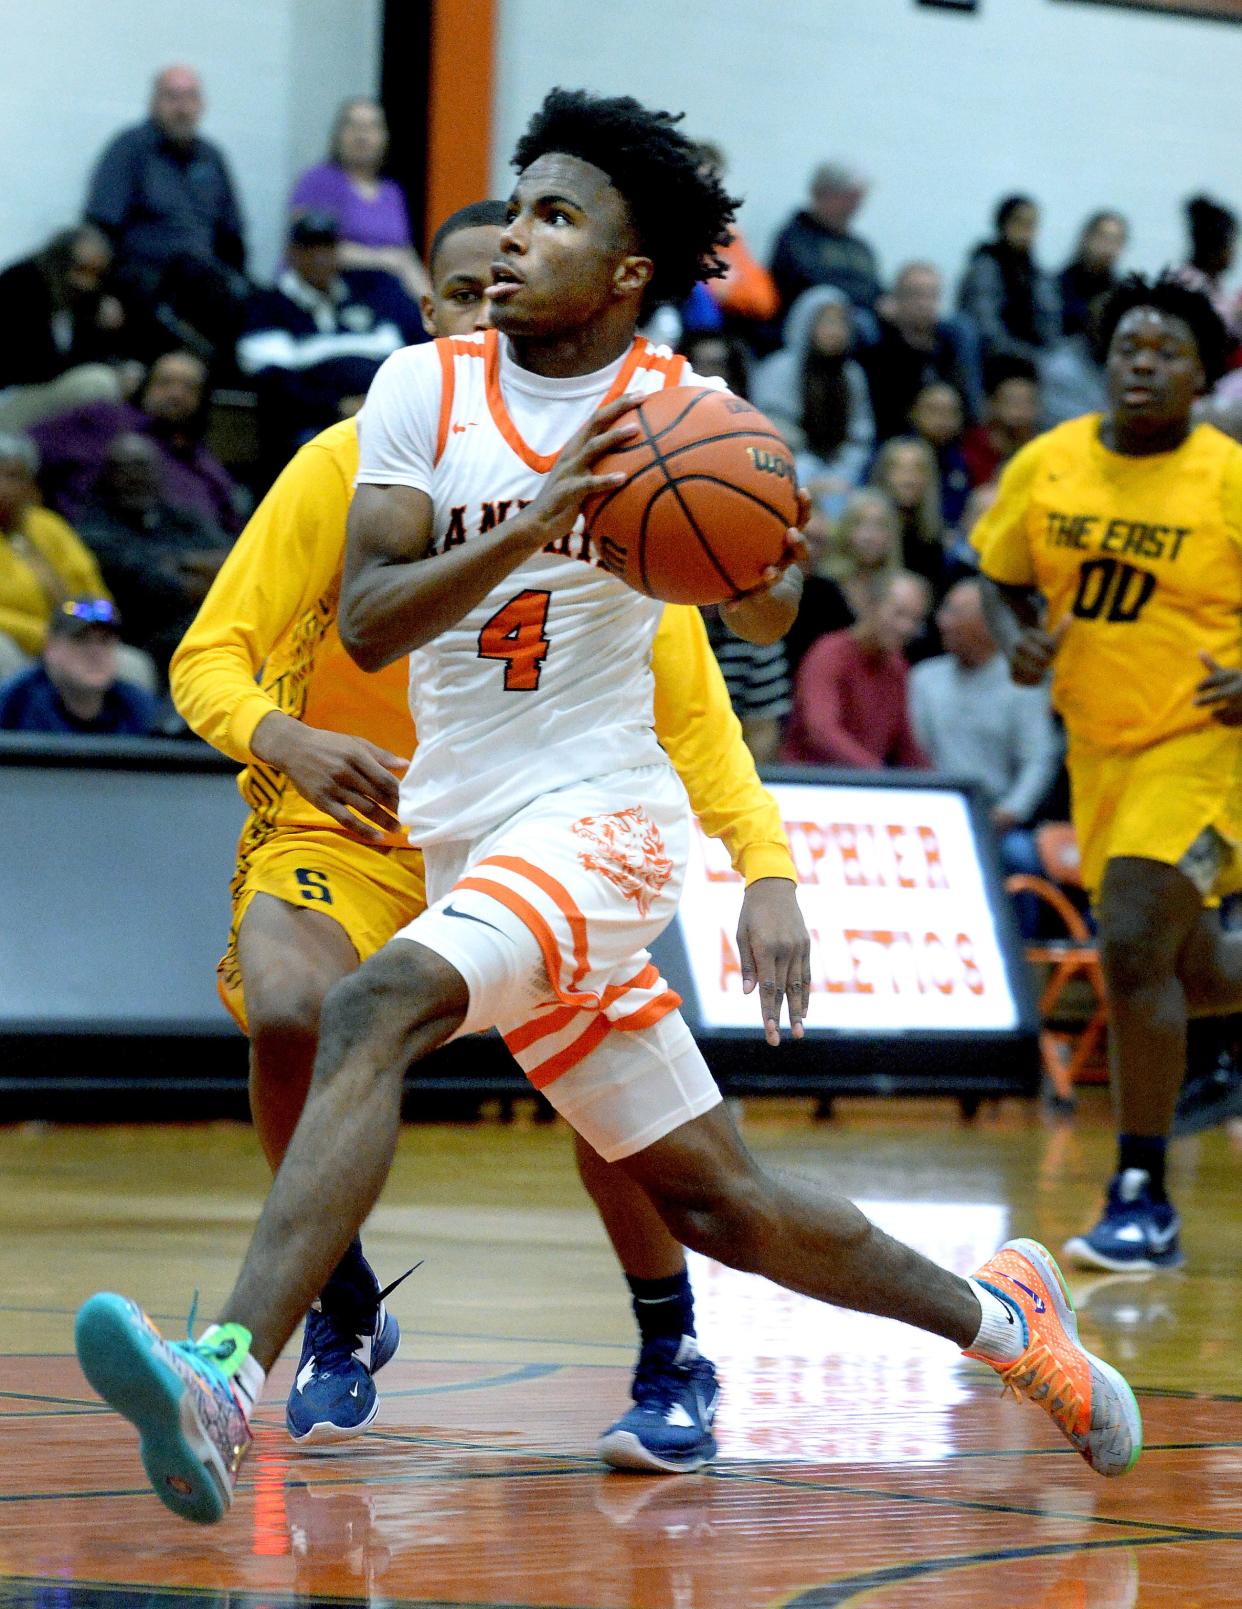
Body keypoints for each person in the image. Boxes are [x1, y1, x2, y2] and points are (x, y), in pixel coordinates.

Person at [75, 86, 1140, 1527]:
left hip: (604, 827)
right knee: (724, 1206)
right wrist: (529, 517)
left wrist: (763, 584)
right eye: (513, 211)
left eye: (554, 218)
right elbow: (374, 621)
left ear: (627, 274)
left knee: (371, 1005)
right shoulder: (417, 391)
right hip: (466, 827)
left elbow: (752, 603)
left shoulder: (682, 423)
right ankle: (1006, 1317)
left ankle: (225, 1370)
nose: (514, 240)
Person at [172, 196, 801, 1467]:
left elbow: (694, 713)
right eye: (463, 294)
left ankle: (669, 1340)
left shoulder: (615, 486)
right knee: (297, 1010)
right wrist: (284, 739)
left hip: (531, 827)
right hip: (353, 823)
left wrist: (767, 865)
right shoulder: (348, 463)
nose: (487, 313)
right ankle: (335, 1305)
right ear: (429, 319)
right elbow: (208, 658)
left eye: (502, 292)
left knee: (613, 1114)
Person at [970, 274, 1242, 1272]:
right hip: (1097, 745)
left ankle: (1141, 1195)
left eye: (1168, 350)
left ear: (1204, 374)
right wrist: (1016, 638)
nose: (1143, 363)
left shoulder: (1227, 474)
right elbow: (996, 578)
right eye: (1129, 345)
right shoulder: (1052, 463)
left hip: (1207, 743)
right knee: (1189, 971)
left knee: (1130, 945)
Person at [910, 578, 1061, 930]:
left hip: (999, 817)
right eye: (944, 609)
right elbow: (916, 753)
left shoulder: (1021, 685)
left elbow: (1038, 760)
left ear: (988, 624)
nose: (942, 621)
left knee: (1020, 856)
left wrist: (1007, 813)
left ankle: (1021, 962)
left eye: (955, 612)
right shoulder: (924, 679)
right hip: (935, 812)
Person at [84, 65, 248, 362]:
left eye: (190, 97)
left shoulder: (212, 158)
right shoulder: (128, 150)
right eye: (172, 97)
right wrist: (105, 294)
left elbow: (232, 238)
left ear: (201, 105)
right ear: (154, 103)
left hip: (204, 285)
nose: (182, 108)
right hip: (145, 286)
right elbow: (100, 230)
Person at [238, 213, 417, 478]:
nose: (319, 257)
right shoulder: (268, 308)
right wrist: (337, 407)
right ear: (292, 254)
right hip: (310, 439)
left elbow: (407, 361)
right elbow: (274, 386)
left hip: (385, 428)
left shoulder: (370, 300)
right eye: (309, 248)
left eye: (327, 247)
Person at [30, 348, 244, 534]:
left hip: (199, 552)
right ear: (145, 387)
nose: (176, 394)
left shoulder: (205, 464)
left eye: (189, 387)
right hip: (114, 544)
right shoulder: (102, 419)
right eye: (165, 382)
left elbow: (232, 524)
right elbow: (26, 450)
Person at [76, 433, 231, 678]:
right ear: (108, 475)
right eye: (125, 469)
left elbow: (234, 563)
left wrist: (182, 562)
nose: (135, 477)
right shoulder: (93, 528)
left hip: (201, 624)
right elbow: (158, 587)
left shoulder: (181, 517)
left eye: (143, 467)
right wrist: (205, 571)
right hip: (141, 637)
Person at [782, 570, 931, 769]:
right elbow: (821, 730)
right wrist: (881, 775)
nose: (906, 627)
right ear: (871, 606)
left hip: (864, 784)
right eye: (899, 613)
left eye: (915, 620)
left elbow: (907, 745)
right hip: (814, 784)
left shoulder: (897, 667)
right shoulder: (829, 653)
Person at [288, 97, 429, 304]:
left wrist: (433, 307)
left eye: (372, 127)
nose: (362, 135)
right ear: (338, 135)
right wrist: (383, 260)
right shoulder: (318, 181)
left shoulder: (392, 192)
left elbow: (404, 257)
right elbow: (308, 249)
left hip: (385, 297)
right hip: (327, 297)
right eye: (353, 125)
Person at [751, 286, 874, 512]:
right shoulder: (780, 367)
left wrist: (844, 471)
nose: (835, 331)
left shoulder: (852, 374)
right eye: (827, 322)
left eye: (841, 323)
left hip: (841, 475)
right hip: (787, 466)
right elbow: (771, 427)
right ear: (805, 322)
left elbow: (860, 434)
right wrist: (808, 474)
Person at [0, 433, 111, 680]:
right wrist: (47, 635)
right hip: (19, 644)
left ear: (30, 485)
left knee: (131, 664)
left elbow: (97, 598)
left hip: (73, 640)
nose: (3, 486)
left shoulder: (48, 526)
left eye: (12, 476)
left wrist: (87, 628)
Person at [0, 225, 130, 431]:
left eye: (95, 275)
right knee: (98, 383)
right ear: (58, 261)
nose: (85, 283)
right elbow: (35, 366)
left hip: (36, 399)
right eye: (80, 269)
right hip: (10, 397)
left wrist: (105, 332)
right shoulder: (20, 284)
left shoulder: (81, 304)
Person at [782, 488, 901, 678]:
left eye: (880, 526)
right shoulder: (822, 588)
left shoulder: (900, 590)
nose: (870, 536)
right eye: (861, 524)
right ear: (846, 530)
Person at [0, 596, 154, 735]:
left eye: (104, 641)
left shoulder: (138, 708)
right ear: (50, 648)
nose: (95, 653)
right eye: (81, 640)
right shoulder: (14, 704)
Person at [863, 262, 976, 441]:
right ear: (896, 299)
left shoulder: (950, 347)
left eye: (932, 296)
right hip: (897, 443)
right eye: (916, 295)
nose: (924, 303)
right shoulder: (880, 350)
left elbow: (965, 408)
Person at [957, 196, 1061, 369]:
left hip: (1035, 359)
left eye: (1032, 224)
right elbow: (986, 329)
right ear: (1002, 224)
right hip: (994, 360)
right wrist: (1028, 355)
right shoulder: (985, 268)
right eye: (1019, 222)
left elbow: (1050, 323)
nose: (1026, 230)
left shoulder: (1037, 274)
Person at [769, 162, 882, 318]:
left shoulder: (860, 247)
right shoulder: (795, 240)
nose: (853, 207)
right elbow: (812, 283)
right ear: (819, 194)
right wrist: (871, 302)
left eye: (857, 199)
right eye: (847, 198)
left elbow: (877, 288)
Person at [869, 436, 950, 594]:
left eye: (918, 469)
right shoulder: (868, 527)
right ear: (883, 474)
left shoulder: (931, 538)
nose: (909, 479)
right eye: (899, 469)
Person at [961, 361, 1041, 488]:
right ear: (992, 404)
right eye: (1012, 402)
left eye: (1028, 402)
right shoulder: (970, 448)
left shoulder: (1044, 447)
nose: (1021, 411)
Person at [908, 381, 972, 527]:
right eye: (934, 410)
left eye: (952, 412)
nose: (943, 419)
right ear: (914, 412)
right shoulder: (898, 454)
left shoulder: (961, 458)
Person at [1177, 195, 1240, 338]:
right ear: (1214, 248)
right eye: (1231, 245)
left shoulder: (1214, 285)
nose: (1235, 252)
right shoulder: (1186, 285)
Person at [1058, 212, 1128, 341]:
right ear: (1086, 237)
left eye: (1117, 240)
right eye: (1104, 237)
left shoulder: (1123, 293)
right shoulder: (1055, 285)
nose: (1109, 246)